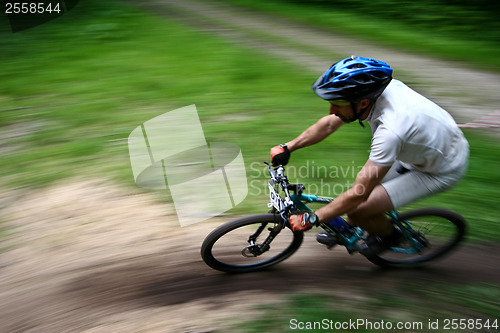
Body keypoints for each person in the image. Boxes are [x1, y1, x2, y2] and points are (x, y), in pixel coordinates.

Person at [270, 56, 469, 256]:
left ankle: (391, 236)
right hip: (421, 150)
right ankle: (348, 229)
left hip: (439, 170)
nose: (331, 110)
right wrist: (288, 147)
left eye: (338, 103)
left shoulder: (391, 131)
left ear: (363, 102)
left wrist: (312, 219)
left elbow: (359, 193)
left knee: (359, 206)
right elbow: (330, 123)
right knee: (357, 194)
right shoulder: (376, 93)